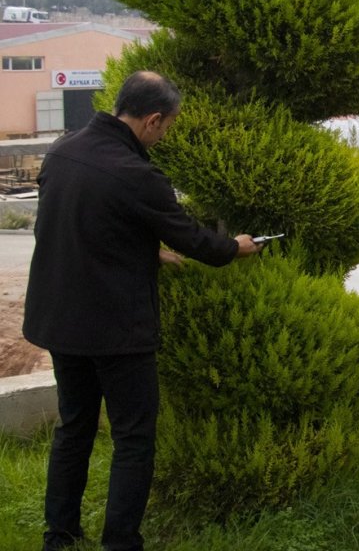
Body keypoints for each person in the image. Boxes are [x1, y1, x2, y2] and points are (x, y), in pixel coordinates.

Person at [23, 71, 262, 551]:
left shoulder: (62, 150)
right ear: (153, 119)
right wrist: (233, 246)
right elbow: (196, 242)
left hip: (60, 321)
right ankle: (121, 542)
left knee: (75, 427)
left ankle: (59, 534)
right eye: (167, 126)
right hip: (116, 330)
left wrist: (145, 249)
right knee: (133, 438)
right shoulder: (138, 175)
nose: (164, 135)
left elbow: (78, 222)